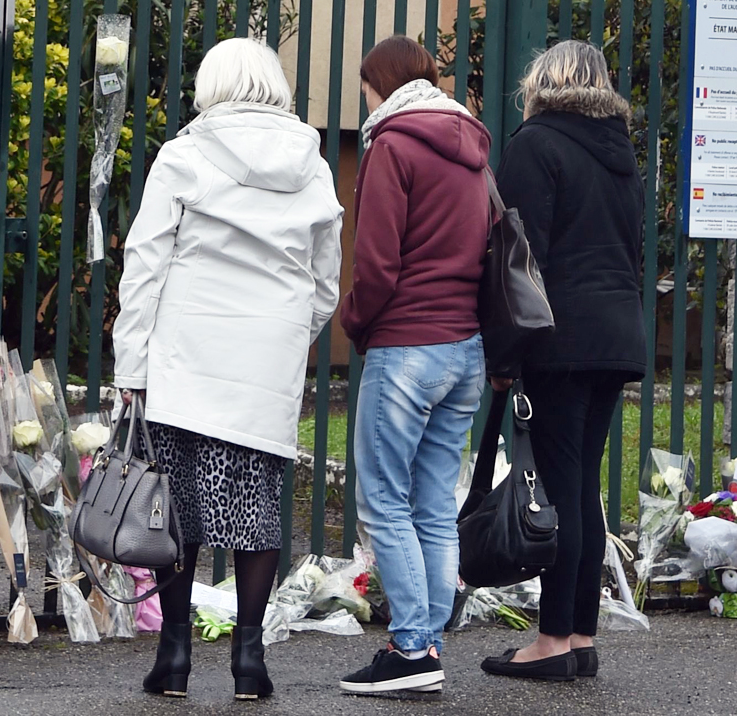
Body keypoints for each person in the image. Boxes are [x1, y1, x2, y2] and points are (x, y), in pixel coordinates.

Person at [112, 37, 343, 701]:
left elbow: (146, 264)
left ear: (211, 84)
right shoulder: (313, 164)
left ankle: (174, 655)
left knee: (175, 506)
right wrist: (288, 333)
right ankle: (250, 661)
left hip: (187, 353)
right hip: (266, 358)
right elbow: (325, 278)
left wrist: (132, 362)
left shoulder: (183, 155)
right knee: (256, 506)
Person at [479, 40, 646, 681]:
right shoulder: (620, 151)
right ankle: (580, 635)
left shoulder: (536, 143)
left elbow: (519, 260)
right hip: (616, 335)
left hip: (560, 338)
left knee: (559, 484)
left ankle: (552, 640)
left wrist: (504, 354)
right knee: (581, 488)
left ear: (543, 82)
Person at [338, 35, 491, 695]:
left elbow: (376, 263)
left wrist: (354, 321)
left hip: (406, 344)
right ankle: (426, 645)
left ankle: (410, 648)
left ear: (381, 84)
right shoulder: (473, 148)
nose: (365, 100)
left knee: (383, 498)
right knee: (432, 502)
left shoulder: (392, 144)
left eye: (365, 88)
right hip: (465, 348)